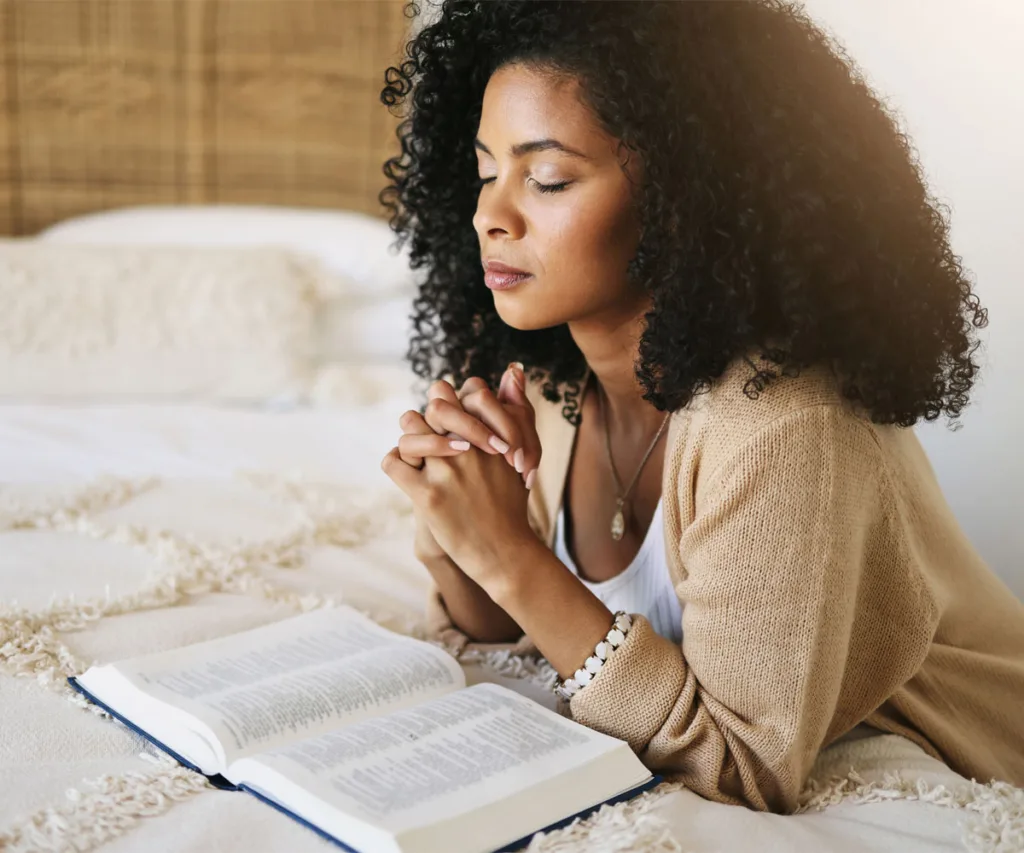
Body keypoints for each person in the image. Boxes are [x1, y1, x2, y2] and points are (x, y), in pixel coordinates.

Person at [377, 0, 1024, 813]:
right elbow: (498, 631)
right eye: (484, 171)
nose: (489, 215)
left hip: (980, 758)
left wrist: (516, 555)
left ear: (689, 195)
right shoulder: (551, 388)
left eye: (546, 179)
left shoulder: (784, 424)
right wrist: (461, 513)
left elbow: (742, 770)